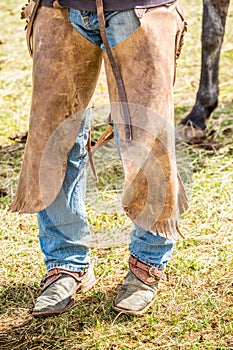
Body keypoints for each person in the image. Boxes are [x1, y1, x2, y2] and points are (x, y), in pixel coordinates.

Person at [10, 0, 187, 317]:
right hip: (60, 7)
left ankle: (147, 261)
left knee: (146, 138)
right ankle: (66, 264)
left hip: (138, 7)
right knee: (53, 138)